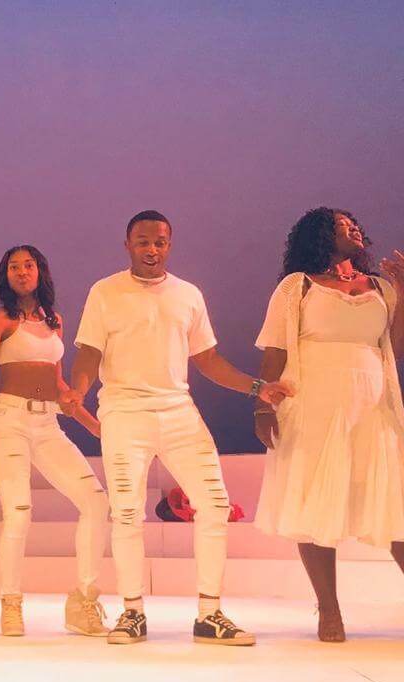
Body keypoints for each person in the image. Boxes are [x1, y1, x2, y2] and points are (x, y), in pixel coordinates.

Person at [63, 210, 291, 646]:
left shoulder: (188, 294)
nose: (152, 249)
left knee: (215, 503)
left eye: (160, 242)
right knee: (127, 511)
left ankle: (209, 614)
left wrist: (258, 387)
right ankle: (132, 613)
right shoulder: (105, 292)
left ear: (170, 245)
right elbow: (89, 353)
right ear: (128, 244)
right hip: (124, 409)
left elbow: (208, 361)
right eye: (144, 241)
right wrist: (77, 389)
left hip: (177, 409)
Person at [254, 208, 404, 642]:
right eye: (342, 224)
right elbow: (275, 349)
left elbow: (394, 347)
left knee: (393, 502)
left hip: (373, 404)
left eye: (355, 222)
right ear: (321, 235)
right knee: (315, 503)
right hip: (315, 403)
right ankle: (330, 610)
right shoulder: (297, 286)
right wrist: (264, 407)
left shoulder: (380, 287)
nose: (354, 227)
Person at [0, 245, 108, 636]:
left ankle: (84, 599)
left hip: (48, 423)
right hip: (9, 419)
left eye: (28, 265)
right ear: (5, 276)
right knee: (19, 511)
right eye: (14, 266)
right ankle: (11, 604)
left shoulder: (54, 320)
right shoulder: (0, 319)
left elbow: (59, 383)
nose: (21, 271)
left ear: (40, 271)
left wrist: (93, 425)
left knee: (96, 503)